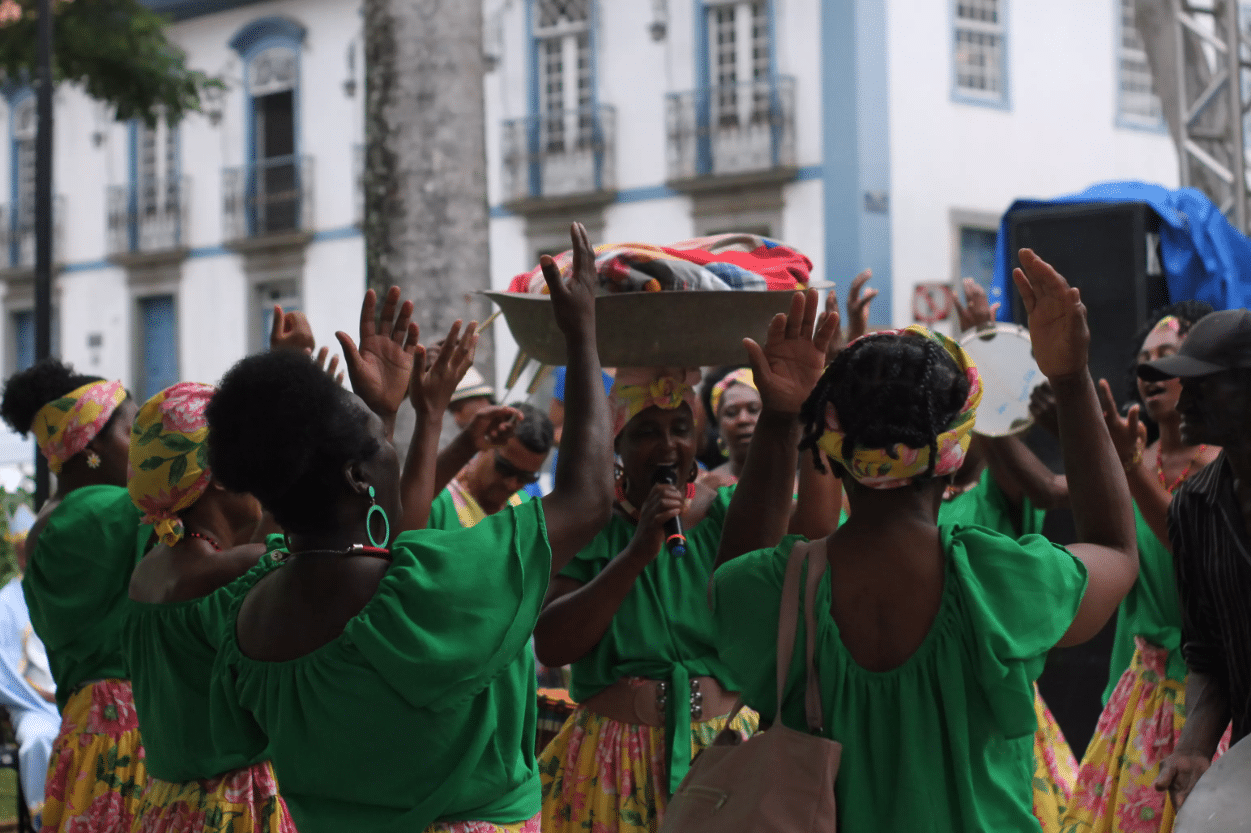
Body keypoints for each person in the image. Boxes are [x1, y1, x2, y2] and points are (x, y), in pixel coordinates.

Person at [203, 221, 612, 833]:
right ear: (354, 477)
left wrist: (401, 415)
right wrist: (582, 338)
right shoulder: (434, 588)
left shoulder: (249, 609)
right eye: (377, 441)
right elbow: (587, 499)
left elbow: (388, 542)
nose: (385, 443)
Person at [714, 250, 1139, 832]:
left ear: (831, 451)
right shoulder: (992, 576)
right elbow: (1116, 550)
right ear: (956, 450)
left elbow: (727, 586)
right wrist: (1069, 377)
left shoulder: (789, 587)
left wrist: (782, 417)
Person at [534, 291, 842, 833]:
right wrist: (635, 555)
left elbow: (815, 531)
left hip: (724, 749)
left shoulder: (727, 511)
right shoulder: (588, 523)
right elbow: (553, 643)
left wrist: (802, 413)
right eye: (647, 432)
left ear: (699, 436)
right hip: (614, 758)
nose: (667, 446)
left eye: (680, 428)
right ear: (617, 444)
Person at [122, 381, 297, 832]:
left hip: (166, 806)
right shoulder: (241, 568)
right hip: (240, 807)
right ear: (221, 474)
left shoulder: (148, 572)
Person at [0, 359, 149, 832]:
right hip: (128, 735)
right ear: (92, 446)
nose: (148, 450)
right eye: (135, 432)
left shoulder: (51, 520)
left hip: (90, 731)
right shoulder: (104, 512)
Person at [1141, 308, 1251, 811]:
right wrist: (1193, 748)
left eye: (1204, 383)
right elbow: (1208, 653)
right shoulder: (1194, 507)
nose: (1186, 396)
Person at [0, 533, 59, 829]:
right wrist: (47, 697)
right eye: (24, 552)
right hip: (31, 705)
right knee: (38, 738)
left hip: (78, 696)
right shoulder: (6, 604)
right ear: (18, 556)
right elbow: (6, 672)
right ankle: (44, 822)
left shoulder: (63, 591)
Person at [428, 403, 554, 529]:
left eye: (526, 477)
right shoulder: (434, 505)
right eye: (505, 468)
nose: (512, 484)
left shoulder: (523, 508)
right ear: (486, 441)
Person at [696, 367, 760, 490]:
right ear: (719, 427)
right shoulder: (705, 487)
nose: (743, 419)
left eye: (753, 410)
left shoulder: (799, 483)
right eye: (731, 413)